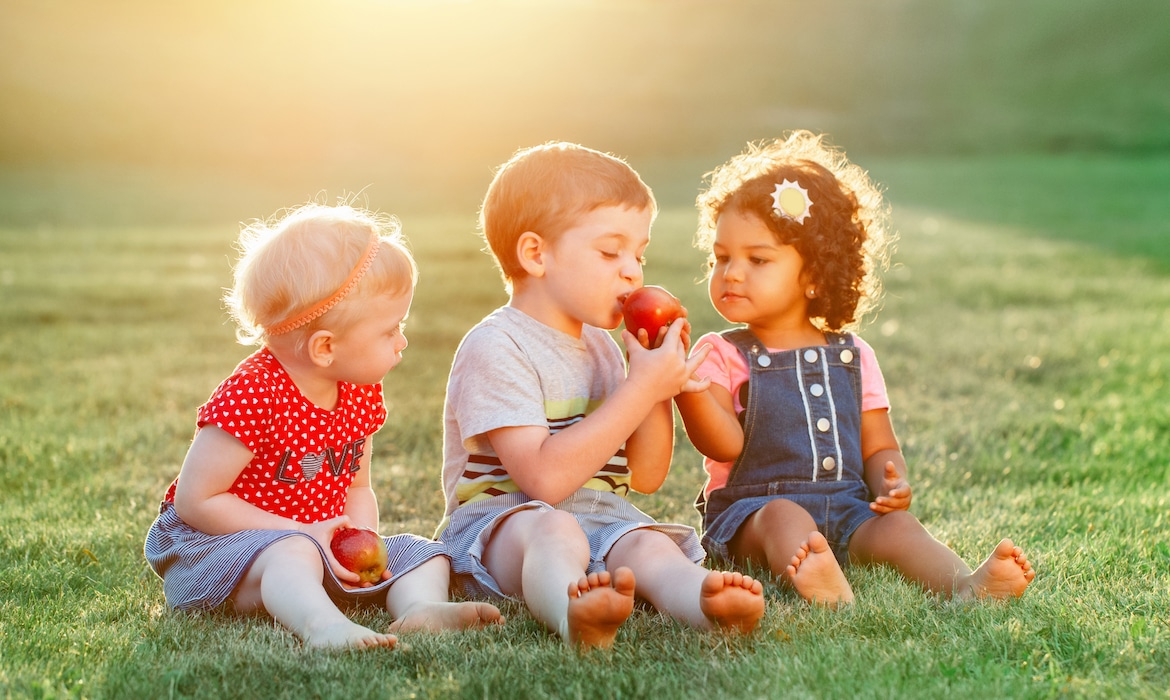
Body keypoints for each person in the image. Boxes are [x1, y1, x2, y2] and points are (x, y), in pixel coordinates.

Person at [675, 131, 1036, 606]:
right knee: (785, 518)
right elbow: (723, 444)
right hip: (753, 512)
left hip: (847, 507)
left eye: (757, 259)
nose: (732, 273)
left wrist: (891, 479)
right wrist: (689, 389)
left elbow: (880, 444)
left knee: (897, 527)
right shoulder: (720, 353)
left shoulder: (853, 356)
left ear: (815, 276)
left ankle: (966, 585)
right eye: (721, 257)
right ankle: (823, 588)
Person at [437, 142, 766, 649]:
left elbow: (648, 475)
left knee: (646, 545)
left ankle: (703, 602)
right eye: (611, 252)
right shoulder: (496, 346)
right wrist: (640, 388)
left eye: (639, 254)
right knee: (554, 532)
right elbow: (544, 482)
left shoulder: (607, 350)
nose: (633, 270)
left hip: (602, 520)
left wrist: (656, 383)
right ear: (535, 254)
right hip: (502, 530)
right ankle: (574, 618)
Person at [144, 203, 502, 650]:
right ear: (325, 346)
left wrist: (363, 541)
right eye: (391, 330)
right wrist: (298, 533)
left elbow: (357, 488)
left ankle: (417, 609)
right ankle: (323, 627)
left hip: (319, 546)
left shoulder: (359, 391)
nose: (403, 340)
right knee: (291, 555)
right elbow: (196, 500)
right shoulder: (255, 393)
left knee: (423, 551)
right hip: (219, 554)